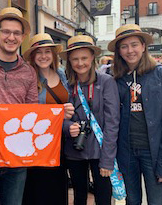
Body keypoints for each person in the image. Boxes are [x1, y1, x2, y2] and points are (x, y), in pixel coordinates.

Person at [0, 7, 73, 205]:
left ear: (22, 37)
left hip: (17, 154)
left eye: (16, 33)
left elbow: (33, 110)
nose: (11, 37)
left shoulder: (28, 72)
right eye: (6, 31)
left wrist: (58, 113)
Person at [109, 24, 162, 205]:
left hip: (153, 152)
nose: (130, 50)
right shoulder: (116, 78)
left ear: (143, 46)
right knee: (132, 200)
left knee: (156, 201)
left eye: (134, 44)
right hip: (126, 151)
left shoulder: (161, 75)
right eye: (124, 46)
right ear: (119, 51)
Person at [61, 35, 119, 205]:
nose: (80, 63)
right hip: (74, 149)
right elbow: (61, 117)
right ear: (70, 61)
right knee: (79, 196)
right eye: (75, 59)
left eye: (84, 58)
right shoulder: (67, 85)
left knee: (103, 197)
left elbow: (112, 123)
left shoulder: (107, 82)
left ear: (93, 57)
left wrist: (108, 160)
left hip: (100, 150)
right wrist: (68, 126)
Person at [23, 32, 69, 205]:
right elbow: (28, 111)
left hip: (60, 142)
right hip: (38, 142)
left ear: (53, 54)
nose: (43, 56)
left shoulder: (62, 74)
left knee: (57, 186)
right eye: (39, 52)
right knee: (38, 189)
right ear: (33, 56)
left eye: (47, 52)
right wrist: (56, 112)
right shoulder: (29, 78)